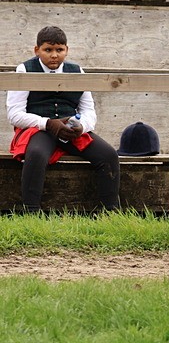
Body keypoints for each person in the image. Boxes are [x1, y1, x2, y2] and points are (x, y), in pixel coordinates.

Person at [6, 26, 120, 212]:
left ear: (67, 50)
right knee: (36, 154)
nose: (54, 55)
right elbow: (15, 114)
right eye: (48, 50)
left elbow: (89, 111)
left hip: (70, 129)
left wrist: (81, 127)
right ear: (37, 50)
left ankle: (111, 211)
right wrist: (48, 123)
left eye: (59, 50)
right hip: (40, 129)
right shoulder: (24, 69)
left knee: (108, 155)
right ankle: (31, 211)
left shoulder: (77, 71)